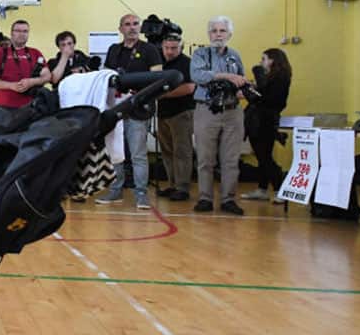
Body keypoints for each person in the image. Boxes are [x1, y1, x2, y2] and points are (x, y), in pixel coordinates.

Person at [95, 13, 162, 209]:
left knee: (138, 154)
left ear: (139, 27)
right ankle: (115, 190)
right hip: (116, 108)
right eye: (127, 24)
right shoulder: (114, 50)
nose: (132, 27)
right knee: (115, 152)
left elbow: (157, 79)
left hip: (139, 109)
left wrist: (136, 87)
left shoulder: (149, 50)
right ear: (120, 29)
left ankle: (141, 194)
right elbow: (105, 77)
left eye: (135, 24)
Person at [190, 15, 250, 215]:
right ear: (209, 34)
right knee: (205, 159)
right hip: (206, 110)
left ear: (229, 34)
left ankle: (228, 200)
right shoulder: (200, 54)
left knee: (231, 160)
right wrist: (225, 76)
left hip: (233, 111)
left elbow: (240, 80)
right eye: (214, 31)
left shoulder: (235, 55)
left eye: (222, 31)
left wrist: (245, 88)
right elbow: (197, 75)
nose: (218, 34)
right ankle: (205, 198)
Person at [241, 48, 292, 201]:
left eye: (264, 59)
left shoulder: (280, 78)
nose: (261, 62)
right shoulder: (270, 78)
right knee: (262, 155)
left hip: (265, 122)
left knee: (264, 156)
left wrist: (256, 74)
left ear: (273, 60)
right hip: (257, 120)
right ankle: (262, 189)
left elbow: (266, 98)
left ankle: (280, 189)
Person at [156, 34, 196, 201]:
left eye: (174, 48)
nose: (170, 51)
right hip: (163, 113)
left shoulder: (187, 63)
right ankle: (173, 185)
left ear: (181, 47)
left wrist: (162, 94)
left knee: (182, 151)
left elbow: (189, 87)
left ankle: (182, 187)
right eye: (167, 48)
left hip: (182, 112)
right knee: (167, 151)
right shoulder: (159, 63)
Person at [0, 19, 50, 108]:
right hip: (4, 107)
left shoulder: (35, 53)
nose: (21, 34)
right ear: (12, 33)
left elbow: (47, 76)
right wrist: (11, 86)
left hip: (31, 107)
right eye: (18, 31)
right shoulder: (0, 53)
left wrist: (31, 82)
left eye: (25, 31)